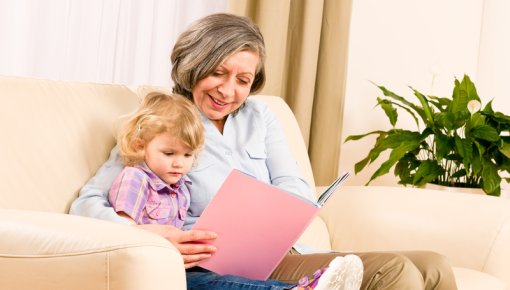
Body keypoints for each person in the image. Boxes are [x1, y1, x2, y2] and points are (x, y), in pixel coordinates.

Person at [70, 12, 457, 290]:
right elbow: (86, 203)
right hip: (225, 265)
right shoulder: (164, 123)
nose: (228, 91)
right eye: (217, 73)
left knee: (435, 266)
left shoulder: (261, 116)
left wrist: (266, 212)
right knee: (393, 270)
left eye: (243, 79)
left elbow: (294, 184)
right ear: (192, 65)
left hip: (286, 248)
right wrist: (146, 234)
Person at [106, 91, 364, 290]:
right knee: (209, 284)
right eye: (169, 153)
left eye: (187, 155)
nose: (179, 163)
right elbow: (122, 234)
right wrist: (159, 240)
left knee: (219, 280)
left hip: (187, 264)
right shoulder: (135, 179)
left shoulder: (180, 187)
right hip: (158, 267)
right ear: (141, 146)